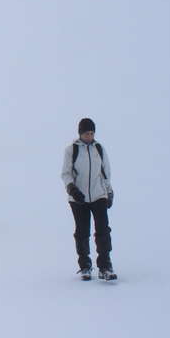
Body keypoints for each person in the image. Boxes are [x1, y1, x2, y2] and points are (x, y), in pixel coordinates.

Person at [61, 118, 116, 281]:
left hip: (98, 195)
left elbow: (105, 172)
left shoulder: (99, 148)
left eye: (92, 133)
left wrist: (109, 192)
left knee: (103, 230)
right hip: (78, 198)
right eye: (87, 133)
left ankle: (105, 266)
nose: (89, 136)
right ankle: (85, 266)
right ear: (80, 133)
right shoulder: (71, 150)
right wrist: (72, 188)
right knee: (82, 231)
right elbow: (66, 173)